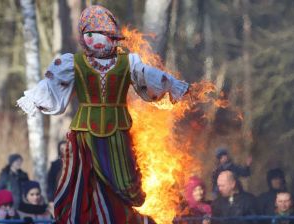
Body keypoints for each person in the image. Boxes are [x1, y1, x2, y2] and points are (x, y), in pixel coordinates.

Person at [17, 5, 188, 223]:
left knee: (121, 181)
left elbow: (150, 76)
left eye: (103, 34)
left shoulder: (129, 62)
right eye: (90, 34)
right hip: (84, 135)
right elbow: (52, 84)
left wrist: (174, 87)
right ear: (83, 36)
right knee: (83, 180)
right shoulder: (74, 62)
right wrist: (33, 98)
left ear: (112, 37)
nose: (96, 40)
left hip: (117, 133)